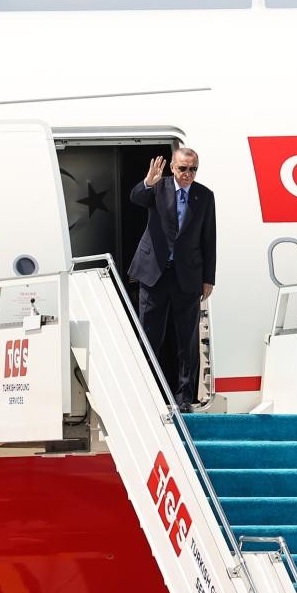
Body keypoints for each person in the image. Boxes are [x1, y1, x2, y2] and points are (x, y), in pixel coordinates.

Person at [128, 148, 216, 412]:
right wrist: (147, 182)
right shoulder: (159, 187)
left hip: (187, 276)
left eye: (193, 169)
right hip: (155, 273)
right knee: (149, 335)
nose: (188, 174)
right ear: (172, 168)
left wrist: (208, 278)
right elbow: (136, 198)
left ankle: (184, 396)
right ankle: (145, 392)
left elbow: (209, 239)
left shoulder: (204, 196)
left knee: (186, 339)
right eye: (183, 168)